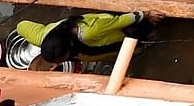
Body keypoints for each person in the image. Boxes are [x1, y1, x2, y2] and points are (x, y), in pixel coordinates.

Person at [14, 11, 155, 66]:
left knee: (141, 41)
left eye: (63, 59)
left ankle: (142, 46)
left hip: (113, 31)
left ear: (70, 47)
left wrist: (145, 14)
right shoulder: (44, 36)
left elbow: (120, 21)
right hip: (100, 52)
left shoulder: (89, 32)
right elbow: (21, 26)